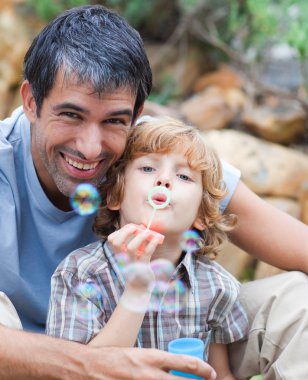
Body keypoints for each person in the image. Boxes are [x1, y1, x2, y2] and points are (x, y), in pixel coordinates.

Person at [0, 3, 308, 380]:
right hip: (29, 359)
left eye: (114, 120)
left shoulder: (154, 156)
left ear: (136, 114)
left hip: (168, 332)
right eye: (71, 114)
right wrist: (95, 364)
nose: (90, 147)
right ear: (31, 101)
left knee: (298, 299)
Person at [47, 116, 249, 380]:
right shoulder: (80, 274)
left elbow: (220, 374)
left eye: (183, 176)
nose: (164, 180)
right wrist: (137, 289)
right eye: (147, 169)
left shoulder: (216, 287)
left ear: (201, 215)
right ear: (115, 195)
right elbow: (75, 373)